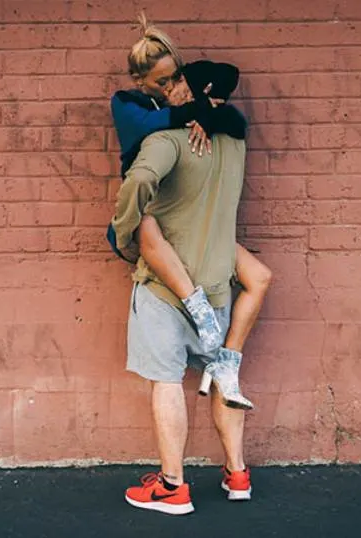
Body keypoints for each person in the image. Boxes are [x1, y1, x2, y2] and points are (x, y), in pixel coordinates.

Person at [112, 59, 256, 515]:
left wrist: (123, 230)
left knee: (167, 382)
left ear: (196, 90)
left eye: (179, 81)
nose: (172, 88)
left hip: (166, 290)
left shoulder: (166, 139)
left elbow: (138, 179)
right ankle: (237, 475)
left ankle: (173, 486)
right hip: (216, 288)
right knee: (223, 377)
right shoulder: (234, 142)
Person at [107, 14, 272, 410]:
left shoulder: (193, 113)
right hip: (147, 210)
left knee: (260, 276)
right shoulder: (127, 103)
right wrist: (198, 113)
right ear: (139, 81)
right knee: (143, 225)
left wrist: (210, 114)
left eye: (174, 78)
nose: (168, 88)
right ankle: (199, 310)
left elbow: (233, 111)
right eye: (160, 83)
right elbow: (150, 126)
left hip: (185, 219)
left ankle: (225, 359)